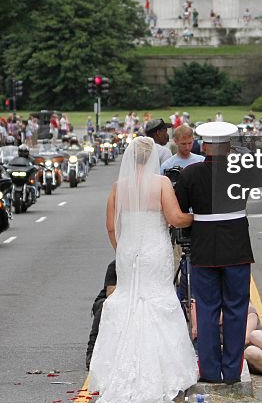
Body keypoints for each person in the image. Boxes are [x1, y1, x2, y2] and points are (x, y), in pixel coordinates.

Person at [88, 137, 198, 402]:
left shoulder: (119, 187)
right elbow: (174, 218)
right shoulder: (160, 184)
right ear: (153, 159)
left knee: (128, 301)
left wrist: (121, 248)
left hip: (128, 253)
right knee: (157, 299)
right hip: (154, 250)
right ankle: (162, 367)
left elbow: (111, 226)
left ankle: (118, 366)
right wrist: (195, 216)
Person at [174, 121, 262, 384]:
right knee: (236, 309)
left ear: (203, 146)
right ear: (229, 147)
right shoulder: (243, 170)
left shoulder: (190, 173)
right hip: (237, 249)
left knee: (206, 310)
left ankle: (209, 370)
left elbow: (181, 211)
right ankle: (231, 371)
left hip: (204, 248)